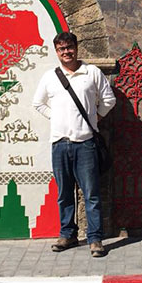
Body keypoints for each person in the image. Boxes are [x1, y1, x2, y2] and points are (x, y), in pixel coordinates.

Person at [32, 31, 116, 257]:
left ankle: (95, 239)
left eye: (69, 47)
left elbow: (109, 100)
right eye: (61, 49)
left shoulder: (92, 73)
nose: (66, 52)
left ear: (76, 48)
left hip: (86, 142)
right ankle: (67, 234)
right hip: (59, 143)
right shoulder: (51, 77)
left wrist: (95, 118)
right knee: (64, 193)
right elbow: (38, 103)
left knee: (91, 193)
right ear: (56, 51)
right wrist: (57, 118)